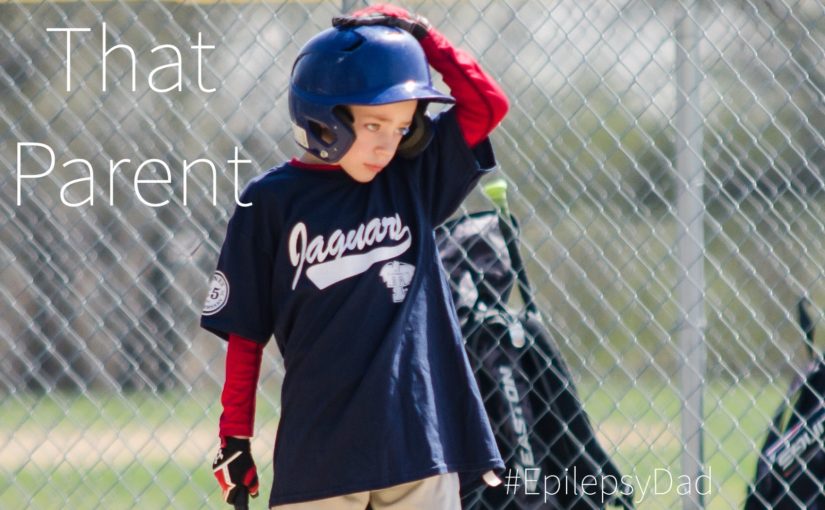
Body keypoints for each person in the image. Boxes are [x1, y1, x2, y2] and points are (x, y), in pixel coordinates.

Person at [202, 4, 509, 509]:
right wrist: (234, 435)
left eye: (402, 127)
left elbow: (487, 105)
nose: (388, 144)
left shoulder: (412, 181)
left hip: (418, 444)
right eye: (373, 124)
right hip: (322, 451)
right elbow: (245, 332)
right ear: (322, 117)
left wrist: (423, 36)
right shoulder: (271, 202)